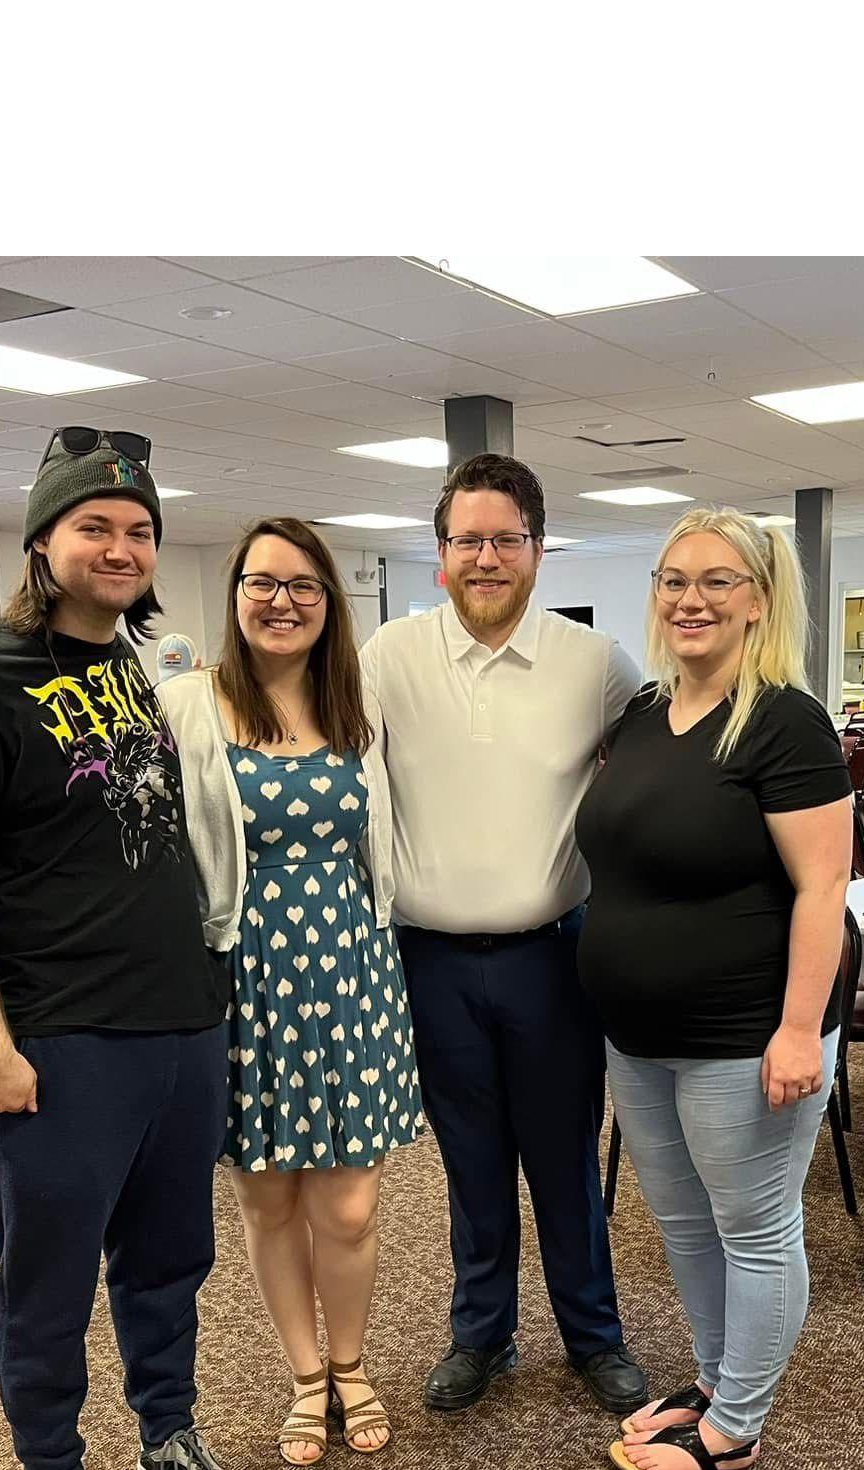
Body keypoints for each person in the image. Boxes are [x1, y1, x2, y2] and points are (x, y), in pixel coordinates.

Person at [0, 426, 257, 1470]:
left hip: (180, 1023)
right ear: (42, 540)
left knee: (171, 1260)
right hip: (58, 1036)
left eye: (139, 530)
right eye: (94, 527)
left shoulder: (147, 666)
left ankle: (167, 1437)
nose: (120, 546)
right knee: (49, 1277)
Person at [361, 453, 648, 1418]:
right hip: (429, 960)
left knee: (564, 1158)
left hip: (552, 957)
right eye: (466, 540)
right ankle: (480, 1336)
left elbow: (667, 759)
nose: (487, 558)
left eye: (506, 539)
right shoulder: (390, 657)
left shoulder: (595, 663)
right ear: (439, 552)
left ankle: (593, 1337)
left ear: (537, 547)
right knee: (470, 1161)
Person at [577, 508, 852, 1470]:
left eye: (716, 580)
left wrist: (795, 1028)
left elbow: (824, 886)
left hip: (743, 1033)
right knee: (685, 1224)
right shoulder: (645, 715)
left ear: (759, 601)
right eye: (672, 579)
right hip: (636, 1031)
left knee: (755, 1227)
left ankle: (735, 1423)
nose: (689, 599)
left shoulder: (783, 719)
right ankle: (709, 1378)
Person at [159, 519, 422, 1466]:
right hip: (245, 980)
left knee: (348, 1205)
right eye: (262, 583)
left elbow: (380, 844)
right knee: (268, 1201)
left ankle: (353, 1365)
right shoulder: (191, 705)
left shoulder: (357, 705)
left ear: (329, 602)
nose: (282, 601)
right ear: (233, 595)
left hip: (352, 974)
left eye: (304, 585)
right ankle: (307, 1376)